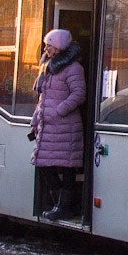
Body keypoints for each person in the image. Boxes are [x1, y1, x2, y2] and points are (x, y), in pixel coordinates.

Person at [30, 28, 85, 221]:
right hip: (50, 127)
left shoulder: (73, 69)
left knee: (68, 166)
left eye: (50, 45)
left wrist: (58, 111)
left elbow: (79, 94)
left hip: (66, 127)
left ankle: (63, 205)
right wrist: (36, 120)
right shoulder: (49, 68)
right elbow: (43, 97)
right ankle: (58, 202)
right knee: (43, 164)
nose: (46, 49)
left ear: (59, 47)